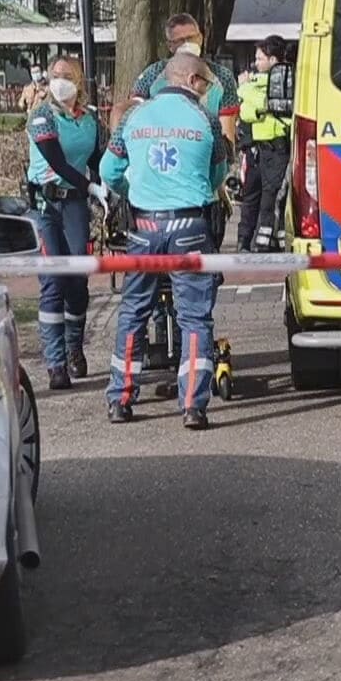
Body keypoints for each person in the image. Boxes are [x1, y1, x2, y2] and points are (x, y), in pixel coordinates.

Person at [98, 52, 229, 429]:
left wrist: (136, 191)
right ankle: (192, 406)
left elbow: (109, 171)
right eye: (205, 83)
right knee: (194, 317)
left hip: (144, 226)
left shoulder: (134, 117)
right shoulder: (205, 119)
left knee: (133, 310)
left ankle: (120, 399)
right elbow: (217, 174)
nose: (207, 90)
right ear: (191, 81)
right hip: (190, 226)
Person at [125, 13, 241, 252]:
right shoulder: (152, 75)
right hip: (154, 181)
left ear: (202, 37)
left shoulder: (221, 78)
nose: (188, 43)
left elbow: (227, 135)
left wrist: (219, 180)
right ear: (170, 46)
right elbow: (127, 117)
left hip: (201, 181)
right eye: (180, 40)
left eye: (192, 37)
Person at [25, 55, 106, 392]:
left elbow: (100, 159)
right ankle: (55, 363)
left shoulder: (90, 120)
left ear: (79, 81)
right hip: (45, 206)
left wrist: (109, 184)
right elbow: (56, 162)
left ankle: (75, 347)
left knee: (77, 283)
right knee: (53, 283)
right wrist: (90, 185)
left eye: (66, 76)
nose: (59, 81)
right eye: (55, 75)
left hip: (74, 206)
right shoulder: (41, 116)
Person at [237, 35, 293, 252]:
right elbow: (246, 112)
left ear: (273, 60)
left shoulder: (284, 82)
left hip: (277, 148)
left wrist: (245, 90)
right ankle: (245, 241)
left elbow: (267, 103)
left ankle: (268, 243)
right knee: (250, 197)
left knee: (272, 197)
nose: (256, 63)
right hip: (256, 149)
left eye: (260, 59)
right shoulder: (253, 84)